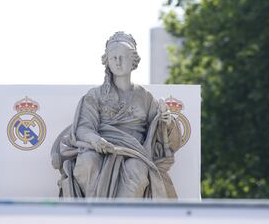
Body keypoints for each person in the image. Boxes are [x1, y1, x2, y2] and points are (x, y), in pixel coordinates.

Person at [51, 32, 182, 198]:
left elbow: (158, 131)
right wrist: (95, 139)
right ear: (107, 61)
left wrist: (166, 121)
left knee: (137, 168)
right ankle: (95, 213)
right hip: (100, 148)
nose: (118, 62)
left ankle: (122, 215)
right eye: (113, 58)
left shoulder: (145, 97)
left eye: (123, 57)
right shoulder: (94, 95)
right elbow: (84, 127)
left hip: (134, 152)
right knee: (87, 161)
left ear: (133, 60)